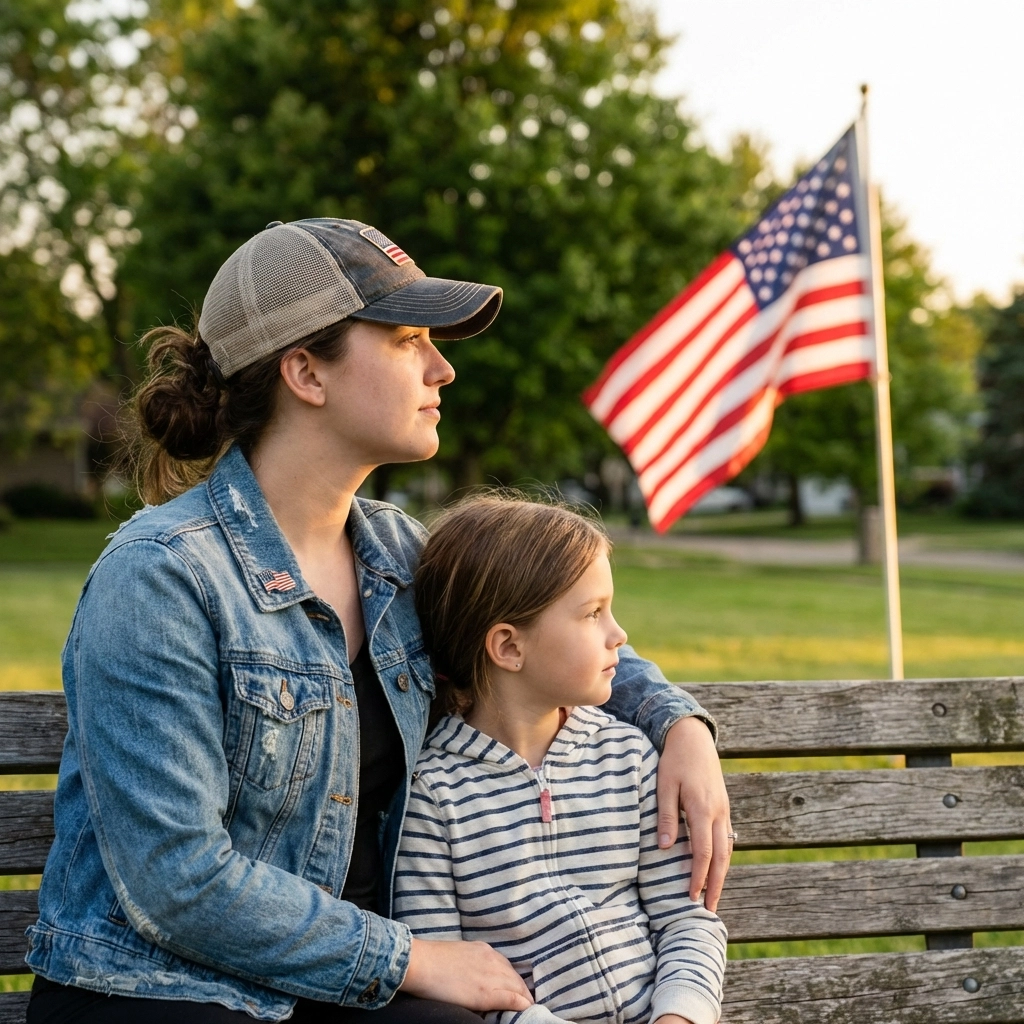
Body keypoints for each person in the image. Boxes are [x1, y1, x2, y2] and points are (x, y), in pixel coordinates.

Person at [25, 218, 733, 1023]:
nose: (443, 368)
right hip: (163, 989)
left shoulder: (400, 554)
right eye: (406, 340)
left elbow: (545, 630)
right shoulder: (161, 577)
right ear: (306, 373)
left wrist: (681, 727)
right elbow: (176, 879)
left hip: (342, 985)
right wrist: (414, 959)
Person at [394, 494, 727, 1024]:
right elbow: (448, 978)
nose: (619, 634)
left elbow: (687, 919)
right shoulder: (433, 797)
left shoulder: (627, 758)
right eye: (593, 614)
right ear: (508, 647)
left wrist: (680, 1016)